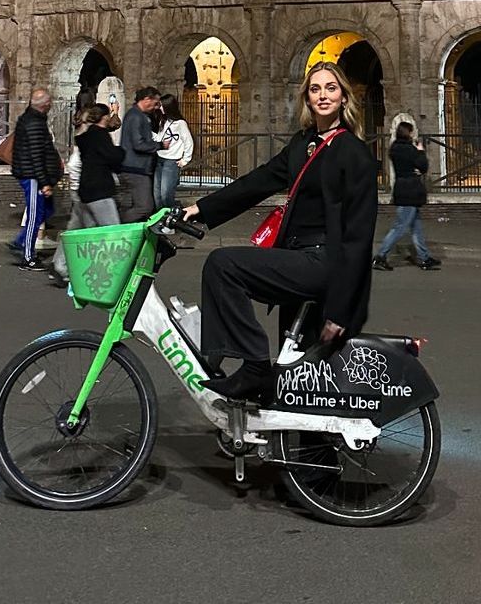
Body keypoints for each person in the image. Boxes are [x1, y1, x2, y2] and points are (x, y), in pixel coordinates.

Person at [182, 62, 378, 404]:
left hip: (323, 262)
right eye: (315, 89)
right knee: (302, 378)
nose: (323, 95)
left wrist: (341, 311)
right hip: (296, 258)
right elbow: (258, 181)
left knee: (223, 265)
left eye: (331, 88)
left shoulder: (354, 153)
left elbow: (359, 238)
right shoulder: (304, 145)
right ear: (307, 98)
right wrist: (202, 208)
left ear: (344, 96)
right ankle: (306, 453)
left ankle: (252, 362)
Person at [51, 103, 121, 284]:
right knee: (112, 230)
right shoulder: (100, 136)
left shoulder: (86, 136)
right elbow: (113, 157)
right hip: (99, 190)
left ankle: (59, 265)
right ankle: (111, 271)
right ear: (104, 118)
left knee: (76, 230)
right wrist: (121, 151)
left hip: (84, 189)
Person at [372, 121, 441, 271]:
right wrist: (421, 151)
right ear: (408, 133)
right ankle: (380, 257)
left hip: (402, 188)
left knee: (416, 227)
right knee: (400, 227)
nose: (414, 134)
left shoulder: (394, 148)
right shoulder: (410, 150)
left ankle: (424, 257)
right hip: (410, 191)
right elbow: (423, 166)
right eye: (412, 131)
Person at [10, 87, 63, 272]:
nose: (51, 105)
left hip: (34, 174)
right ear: (45, 105)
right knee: (35, 215)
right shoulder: (34, 123)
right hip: (32, 176)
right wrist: (44, 182)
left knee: (46, 210)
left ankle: (20, 242)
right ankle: (28, 257)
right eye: (50, 102)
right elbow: (36, 156)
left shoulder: (32, 119)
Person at [118, 86, 171, 223]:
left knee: (139, 205)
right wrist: (159, 145)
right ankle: (116, 224)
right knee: (144, 207)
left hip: (136, 168)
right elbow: (138, 144)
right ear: (147, 99)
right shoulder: (136, 116)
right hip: (136, 169)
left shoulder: (136, 115)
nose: (156, 107)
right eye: (155, 103)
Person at [153, 93, 194, 209]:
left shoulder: (180, 124)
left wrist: (185, 159)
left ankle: (171, 219)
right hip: (160, 159)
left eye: (161, 105)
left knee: (166, 194)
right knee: (157, 195)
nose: (160, 108)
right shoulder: (164, 121)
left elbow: (188, 142)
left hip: (171, 162)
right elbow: (160, 138)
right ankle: (161, 220)